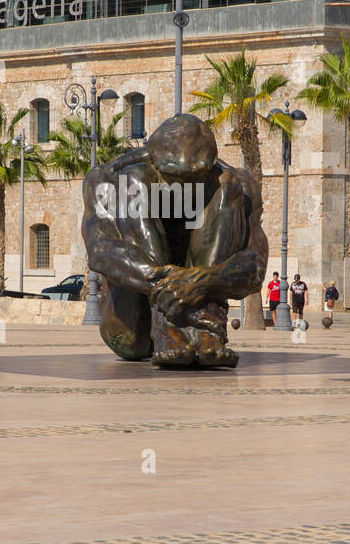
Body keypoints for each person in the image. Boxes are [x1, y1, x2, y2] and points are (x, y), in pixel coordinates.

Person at [81, 113, 268, 368]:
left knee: (229, 186)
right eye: (174, 178)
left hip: (203, 315)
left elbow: (254, 267)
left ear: (211, 165)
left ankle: (204, 333)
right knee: (132, 183)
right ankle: (165, 326)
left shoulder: (234, 184)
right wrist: (169, 286)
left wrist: (199, 281)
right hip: (131, 326)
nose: (184, 186)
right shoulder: (107, 179)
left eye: (195, 178)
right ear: (154, 163)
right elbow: (101, 252)